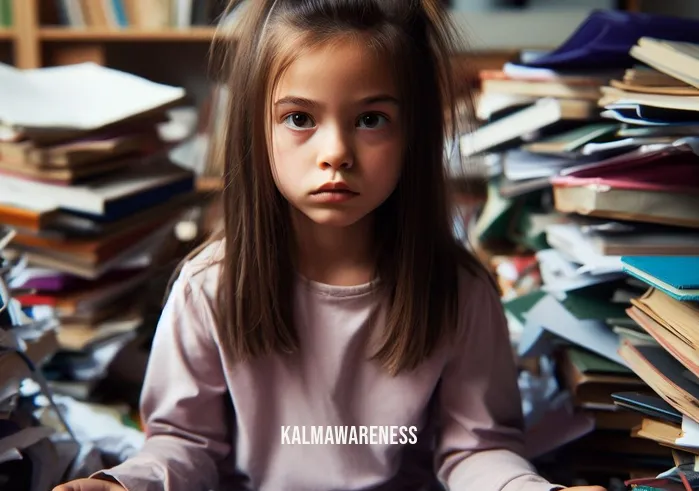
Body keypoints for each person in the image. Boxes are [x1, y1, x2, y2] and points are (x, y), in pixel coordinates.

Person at [55, 1, 606, 490]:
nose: (336, 152)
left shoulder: (459, 290)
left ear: (414, 135)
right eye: (299, 118)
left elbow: (477, 449)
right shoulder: (209, 287)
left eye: (371, 119)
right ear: (255, 130)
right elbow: (185, 444)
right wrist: (124, 484)